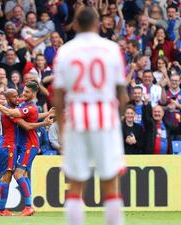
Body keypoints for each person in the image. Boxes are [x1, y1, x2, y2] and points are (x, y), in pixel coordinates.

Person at [52, 8, 128, 225]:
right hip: (105, 118)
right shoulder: (112, 49)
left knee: (75, 186)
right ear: (97, 24)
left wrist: (63, 130)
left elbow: (58, 98)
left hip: (76, 119)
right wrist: (117, 122)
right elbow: (122, 95)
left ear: (74, 25)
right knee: (111, 185)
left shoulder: (65, 51)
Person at [0, 81, 49, 216]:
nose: (20, 96)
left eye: (24, 93)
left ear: (33, 93)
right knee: (13, 175)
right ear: (10, 99)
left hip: (22, 145)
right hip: (10, 145)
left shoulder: (21, 106)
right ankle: (3, 208)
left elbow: (31, 117)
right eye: (16, 96)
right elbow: (25, 123)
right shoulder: (14, 110)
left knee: (13, 175)